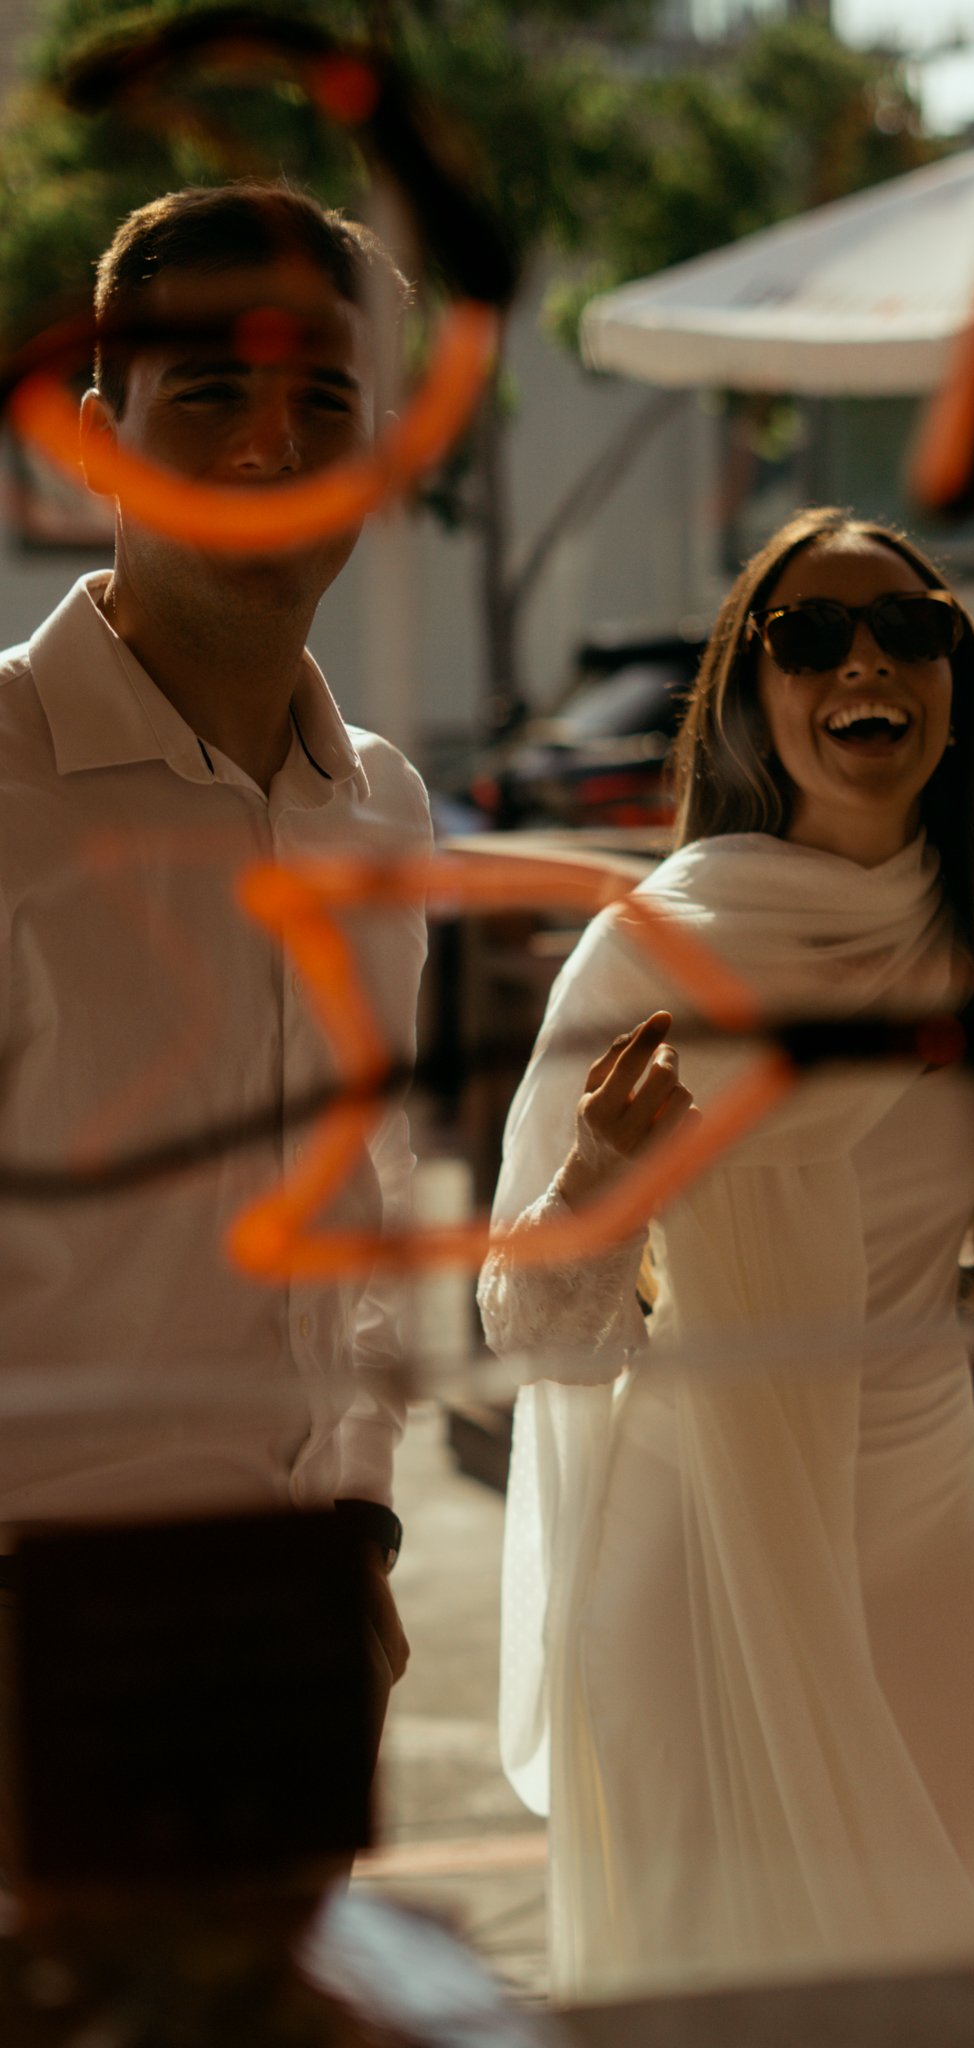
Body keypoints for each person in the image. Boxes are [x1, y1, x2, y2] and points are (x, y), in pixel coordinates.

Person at [478, 506, 974, 1999]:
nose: (861, 659)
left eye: (907, 626)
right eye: (806, 635)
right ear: (751, 694)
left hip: (924, 1540)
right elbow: (529, 1328)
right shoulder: (652, 953)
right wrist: (606, 1177)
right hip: (694, 1545)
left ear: (953, 677)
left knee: (918, 1977)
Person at [0, 184, 431, 1815]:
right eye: (211, 399)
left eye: (325, 401)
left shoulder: (379, 805)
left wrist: (364, 1526)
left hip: (300, 1621)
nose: (272, 449)